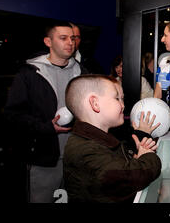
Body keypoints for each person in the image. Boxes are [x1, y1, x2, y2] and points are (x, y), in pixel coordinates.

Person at [4, 20, 86, 203]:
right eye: (63, 38)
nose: (70, 43)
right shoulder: (30, 74)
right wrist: (46, 127)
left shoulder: (82, 72)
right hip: (44, 159)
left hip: (76, 158)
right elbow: (12, 115)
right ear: (48, 42)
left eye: (72, 38)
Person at [63, 74, 161, 202]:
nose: (123, 105)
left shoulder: (97, 140)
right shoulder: (86, 151)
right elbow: (132, 177)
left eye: (122, 99)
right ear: (95, 103)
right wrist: (148, 156)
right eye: (117, 98)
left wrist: (136, 160)